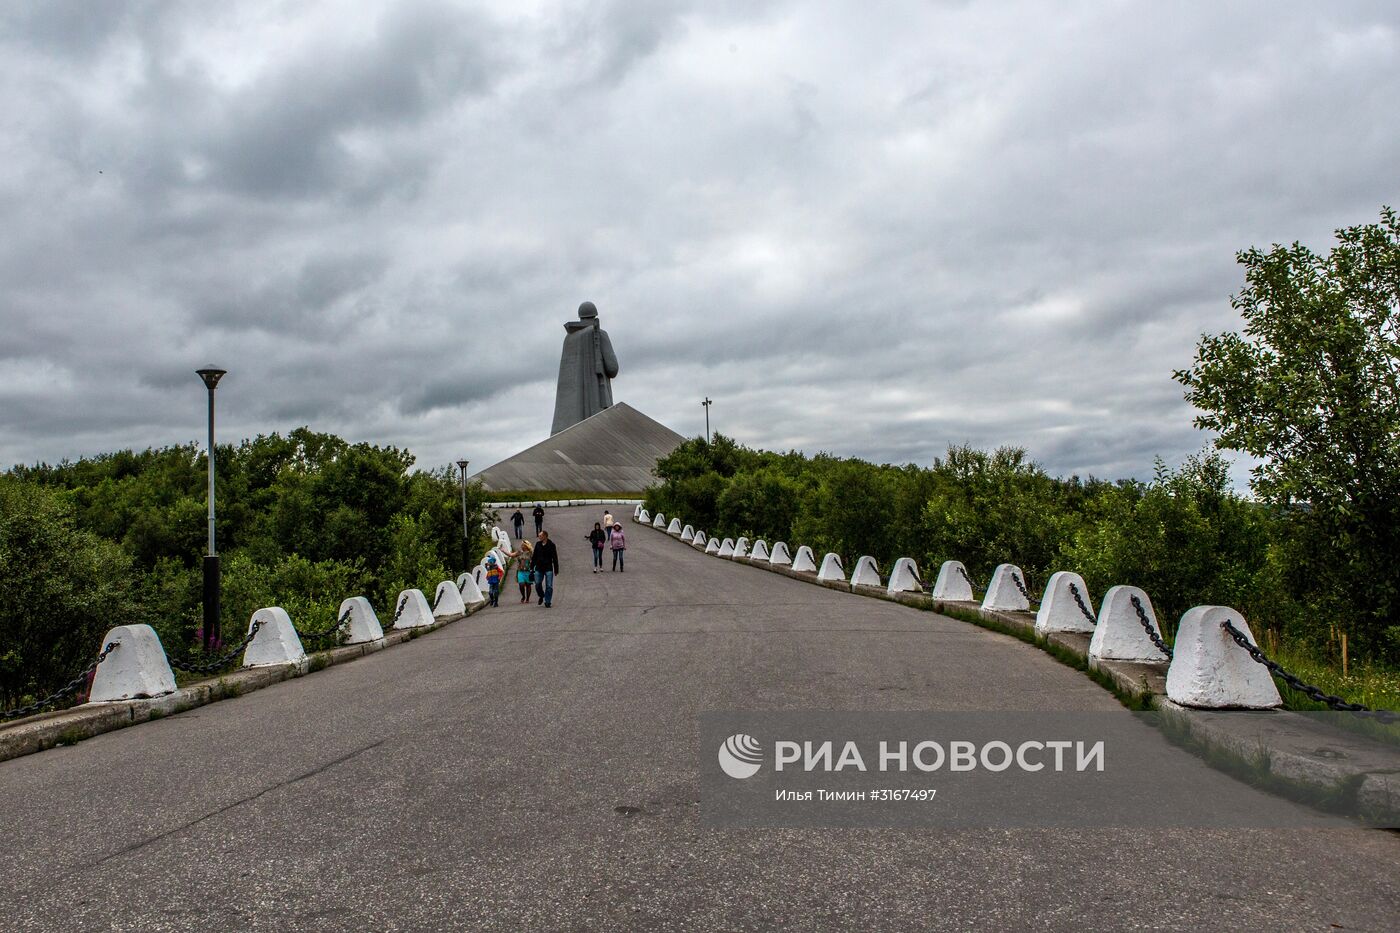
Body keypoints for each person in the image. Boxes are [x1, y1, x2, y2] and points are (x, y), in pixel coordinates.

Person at [533, 530, 560, 608]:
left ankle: (547, 601)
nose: (539, 537)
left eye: (540, 536)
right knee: (537, 584)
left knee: (549, 586)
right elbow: (534, 556)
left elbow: (555, 557)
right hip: (539, 567)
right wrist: (531, 567)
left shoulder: (551, 545)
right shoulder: (538, 544)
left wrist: (556, 569)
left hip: (548, 567)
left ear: (545, 536)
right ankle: (541, 595)